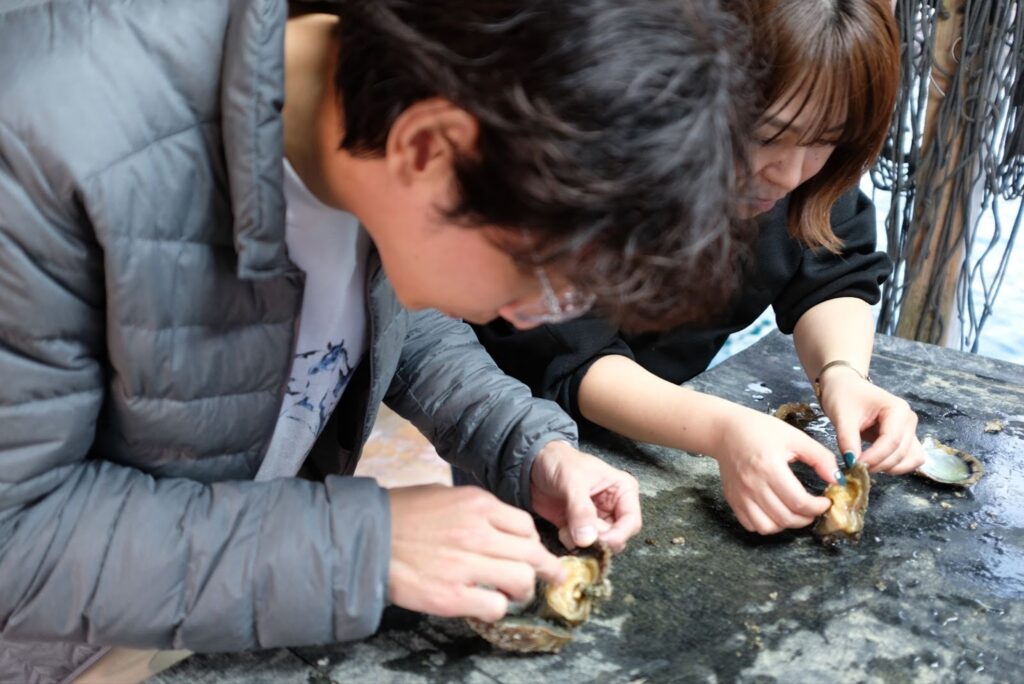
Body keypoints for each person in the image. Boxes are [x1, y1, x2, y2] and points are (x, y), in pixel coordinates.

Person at [0, 0, 755, 680]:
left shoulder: (376, 127)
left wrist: (523, 443)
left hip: (186, 615)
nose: (537, 318)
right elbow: (15, 536)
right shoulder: (42, 143)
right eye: (546, 277)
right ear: (429, 148)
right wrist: (362, 547)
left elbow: (381, 315)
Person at [474, 0, 926, 537]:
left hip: (675, 405)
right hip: (516, 420)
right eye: (766, 135)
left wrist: (842, 374)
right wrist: (724, 429)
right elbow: (566, 354)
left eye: (825, 141)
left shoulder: (801, 176)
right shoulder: (585, 158)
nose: (789, 173)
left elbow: (833, 271)